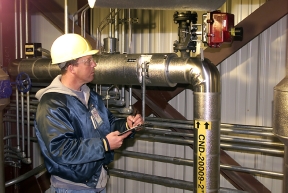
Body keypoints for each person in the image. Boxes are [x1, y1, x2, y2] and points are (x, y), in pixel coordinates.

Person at [34, 33, 143, 193]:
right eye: (88, 61)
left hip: (97, 181)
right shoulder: (52, 104)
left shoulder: (90, 96)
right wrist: (104, 144)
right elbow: (62, 149)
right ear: (71, 68)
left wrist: (127, 125)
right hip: (72, 188)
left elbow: (108, 125)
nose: (95, 64)